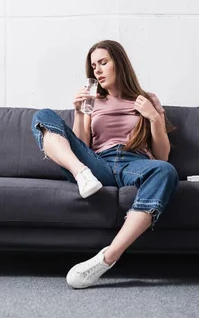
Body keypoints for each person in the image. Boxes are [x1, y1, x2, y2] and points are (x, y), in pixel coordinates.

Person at [31, 39, 178, 289]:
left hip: (135, 162)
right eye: (93, 66)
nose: (97, 70)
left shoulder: (147, 99)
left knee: (166, 171)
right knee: (42, 115)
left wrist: (154, 117)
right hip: (97, 165)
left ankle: (108, 256)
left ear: (119, 63)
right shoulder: (92, 101)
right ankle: (81, 175)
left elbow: (162, 156)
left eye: (103, 62)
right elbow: (82, 145)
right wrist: (79, 112)